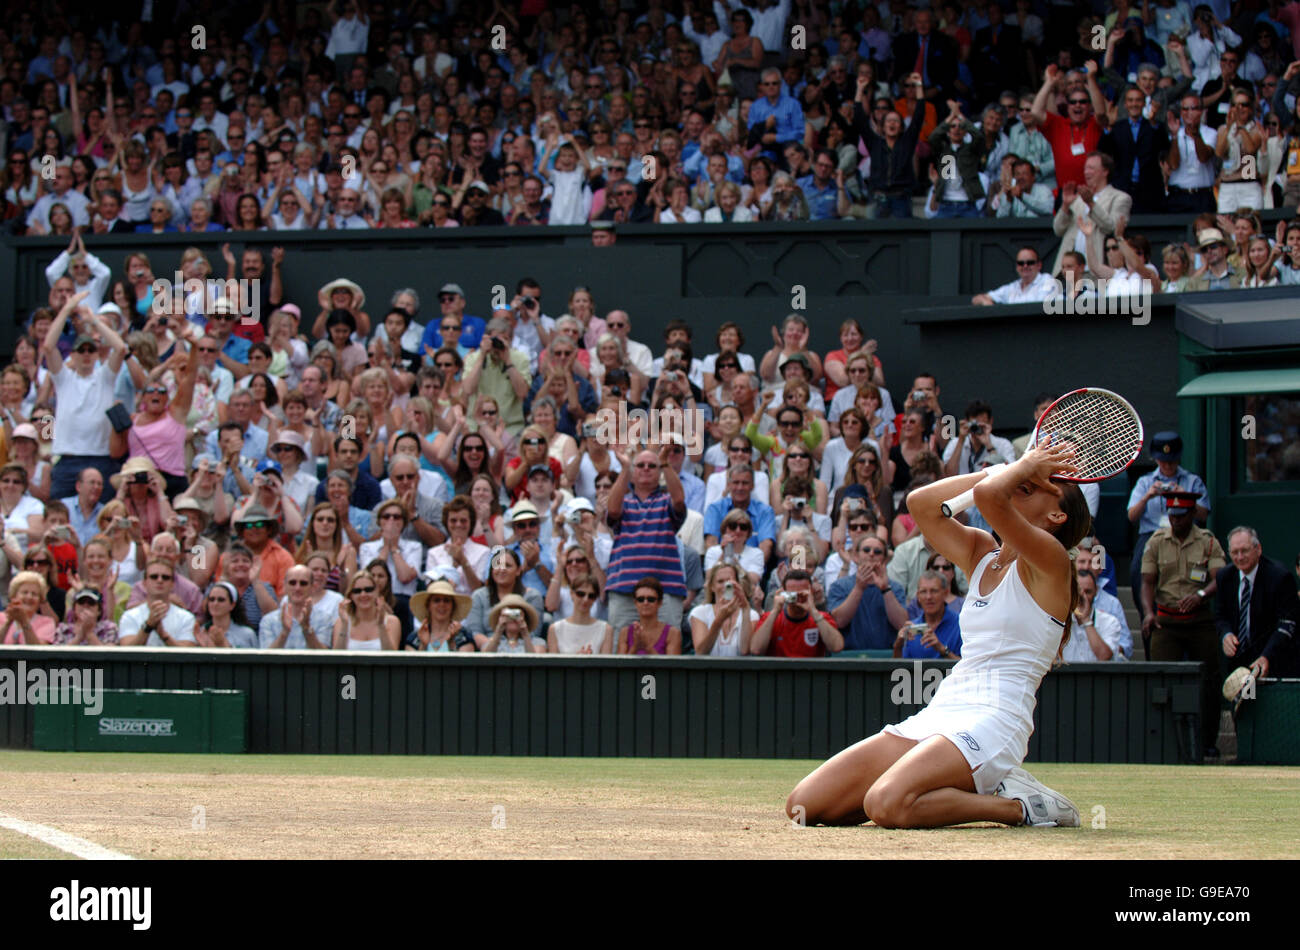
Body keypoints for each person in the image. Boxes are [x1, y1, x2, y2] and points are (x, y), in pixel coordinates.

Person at [786, 442, 1090, 828]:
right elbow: (920, 504)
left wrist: (1020, 467)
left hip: (996, 720)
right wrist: (1013, 468)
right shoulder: (982, 552)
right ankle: (965, 787)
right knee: (803, 806)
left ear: (1056, 515)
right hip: (945, 708)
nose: (1022, 484)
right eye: (1023, 481)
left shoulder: (1053, 560)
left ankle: (1018, 805)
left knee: (886, 804)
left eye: (1033, 487)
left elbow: (989, 498)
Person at [1140, 491, 1227, 758]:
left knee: (1210, 682)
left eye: (1181, 516)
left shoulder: (1208, 541)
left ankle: (1208, 743)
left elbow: (1219, 577)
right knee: (1160, 680)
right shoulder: (1156, 541)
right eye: (1172, 516)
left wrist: (1201, 595)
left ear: (1191, 515)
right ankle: (1160, 744)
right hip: (1166, 620)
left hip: (1199, 620)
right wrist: (1147, 612)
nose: (1176, 520)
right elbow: (1147, 582)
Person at [44, 290, 127, 501]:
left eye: (91, 350)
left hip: (99, 458)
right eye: (82, 351)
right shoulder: (63, 378)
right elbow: (48, 346)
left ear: (97, 354)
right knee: (59, 514)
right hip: (68, 459)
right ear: (73, 355)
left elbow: (119, 348)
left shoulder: (104, 377)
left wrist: (94, 322)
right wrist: (66, 309)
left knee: (101, 518)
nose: (87, 354)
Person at [1126, 431, 1210, 606]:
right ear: (1156, 459)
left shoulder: (1192, 480)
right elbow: (1131, 516)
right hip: (1151, 534)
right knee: (1137, 570)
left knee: (1195, 571)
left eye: (1172, 461)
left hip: (1185, 534)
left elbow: (1204, 514)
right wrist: (1147, 496)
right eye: (1163, 461)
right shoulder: (1145, 482)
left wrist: (1184, 496)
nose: (1168, 466)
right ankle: (1147, 616)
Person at [1216, 526, 1299, 679]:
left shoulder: (1280, 577)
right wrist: (1225, 634)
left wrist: (1266, 656)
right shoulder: (1224, 577)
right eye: (1235, 552)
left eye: (1245, 550)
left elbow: (1286, 624)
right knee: (1246, 700)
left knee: (1271, 702)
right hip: (1239, 663)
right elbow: (1221, 616)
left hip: (1273, 659)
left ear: (1258, 549)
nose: (1240, 557)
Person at [829, 535, 909, 650]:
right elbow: (839, 621)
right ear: (856, 556)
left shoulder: (895, 588)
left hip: (886, 657)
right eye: (866, 550)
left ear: (884, 559)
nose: (871, 554)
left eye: (877, 552)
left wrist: (885, 589)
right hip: (849, 656)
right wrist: (859, 588)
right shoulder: (839, 586)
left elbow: (902, 624)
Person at [750, 569, 843, 657]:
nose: (797, 598)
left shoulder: (821, 618)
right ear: (784, 593)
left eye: (802, 593)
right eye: (792, 594)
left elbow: (837, 647)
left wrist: (813, 611)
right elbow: (756, 650)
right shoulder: (771, 618)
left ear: (811, 592)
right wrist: (775, 611)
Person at [118, 558, 200, 646]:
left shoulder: (186, 618)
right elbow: (127, 650)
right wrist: (148, 626)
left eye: (165, 577)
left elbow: (187, 653)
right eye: (154, 577)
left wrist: (163, 635)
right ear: (144, 583)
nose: (160, 580)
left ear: (172, 584)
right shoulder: (130, 616)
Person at [688, 562, 758, 657]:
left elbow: (744, 651)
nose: (725, 585)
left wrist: (746, 609)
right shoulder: (700, 613)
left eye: (729, 581)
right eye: (720, 581)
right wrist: (719, 621)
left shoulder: (751, 614)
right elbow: (701, 652)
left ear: (737, 584)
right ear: (712, 587)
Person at [258, 563, 333, 649]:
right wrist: (284, 633)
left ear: (312, 587)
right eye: (292, 583)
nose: (297, 588)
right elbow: (267, 658)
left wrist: (306, 628)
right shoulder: (268, 621)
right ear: (284, 586)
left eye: (303, 583)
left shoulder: (324, 619)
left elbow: (323, 658)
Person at [893, 569, 963, 660]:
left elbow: (970, 669)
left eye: (934, 591)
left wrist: (943, 650)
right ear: (918, 596)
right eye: (923, 592)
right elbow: (899, 671)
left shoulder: (961, 624)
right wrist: (898, 646)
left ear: (945, 593)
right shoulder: (912, 628)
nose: (928, 597)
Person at [1061, 568, 1124, 662]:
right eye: (1077, 592)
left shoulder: (1110, 622)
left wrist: (1086, 620)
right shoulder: (1060, 620)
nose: (1083, 597)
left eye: (1088, 592)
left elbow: (1104, 657)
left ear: (1096, 593)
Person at [332, 570, 402, 650]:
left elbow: (391, 658)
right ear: (351, 595)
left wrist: (381, 625)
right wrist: (344, 626)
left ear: (376, 592)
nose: (363, 594)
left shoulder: (392, 622)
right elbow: (337, 657)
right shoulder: (341, 622)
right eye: (357, 591)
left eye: (368, 590)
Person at [547, 572, 613, 654]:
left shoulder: (606, 629)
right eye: (580, 594)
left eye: (591, 596)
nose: (585, 599)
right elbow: (553, 665)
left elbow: (606, 665)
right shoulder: (555, 629)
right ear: (571, 593)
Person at [616, 576, 682, 655]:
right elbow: (621, 665)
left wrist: (647, 646)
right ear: (635, 603)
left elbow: (671, 666)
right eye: (640, 599)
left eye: (651, 599)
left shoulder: (672, 633)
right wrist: (635, 647)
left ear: (660, 603)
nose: (645, 603)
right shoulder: (625, 632)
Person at [972, 246, 1057, 305]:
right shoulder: (1012, 288)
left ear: (1039, 265)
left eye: (1030, 262)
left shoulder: (1047, 280)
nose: (1025, 266)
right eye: (1021, 263)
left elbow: (1039, 306)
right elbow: (976, 299)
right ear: (1017, 267)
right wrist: (986, 302)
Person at [408, 578, 475, 652]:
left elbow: (465, 662)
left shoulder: (463, 636)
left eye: (446, 601)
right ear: (428, 606)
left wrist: (451, 643)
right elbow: (412, 663)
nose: (442, 604)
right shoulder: (415, 637)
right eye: (436, 600)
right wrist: (423, 646)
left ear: (453, 606)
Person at [195, 581, 258, 648]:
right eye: (212, 599)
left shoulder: (247, 634)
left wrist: (223, 645)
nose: (215, 603)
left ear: (232, 605)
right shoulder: (202, 632)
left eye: (221, 600)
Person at [0, 571, 58, 644]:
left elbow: (37, 652)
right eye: (25, 592)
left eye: (34, 594)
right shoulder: (1, 618)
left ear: (40, 600)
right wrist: (8, 622)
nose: (29, 597)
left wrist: (24, 621)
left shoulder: (47, 622)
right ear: (14, 596)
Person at [52, 587, 120, 645]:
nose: (86, 605)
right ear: (74, 608)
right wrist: (79, 638)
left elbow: (109, 656)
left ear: (99, 610)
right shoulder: (63, 629)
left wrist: (89, 633)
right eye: (81, 602)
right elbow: (57, 657)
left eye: (91, 603)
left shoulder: (109, 628)